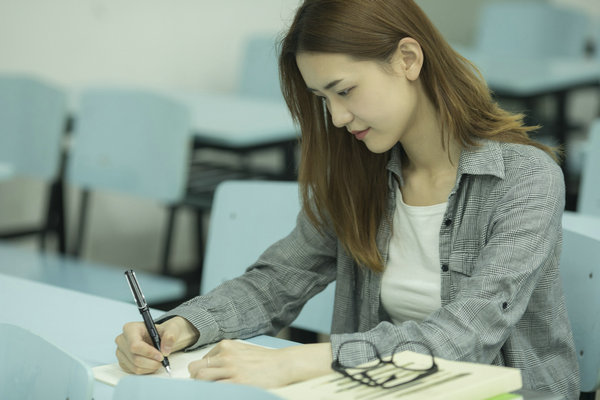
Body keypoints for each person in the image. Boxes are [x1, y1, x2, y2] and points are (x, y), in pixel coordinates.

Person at [115, 0, 580, 398]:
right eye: (323, 99)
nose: (336, 117)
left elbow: (469, 333)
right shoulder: (361, 173)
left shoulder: (526, 180)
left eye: (345, 91)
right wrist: (183, 328)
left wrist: (301, 363)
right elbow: (277, 281)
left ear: (408, 59)